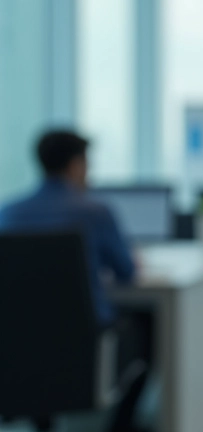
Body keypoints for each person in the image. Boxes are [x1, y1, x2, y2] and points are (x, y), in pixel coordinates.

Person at [0, 130, 150, 432]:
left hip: (20, 343)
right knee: (148, 326)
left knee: (41, 336)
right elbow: (126, 272)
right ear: (76, 165)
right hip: (87, 344)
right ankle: (122, 425)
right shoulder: (95, 212)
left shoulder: (8, 212)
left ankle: (42, 418)